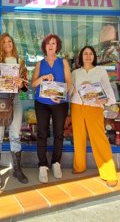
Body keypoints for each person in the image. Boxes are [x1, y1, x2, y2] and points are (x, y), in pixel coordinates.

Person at [0, 33, 28, 189]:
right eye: (4, 42)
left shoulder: (20, 62)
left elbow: (25, 87)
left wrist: (21, 83)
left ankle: (17, 169)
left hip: (15, 101)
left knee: (16, 136)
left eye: (10, 41)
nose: (8, 43)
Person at [70, 45, 118, 187]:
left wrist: (105, 100)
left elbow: (108, 89)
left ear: (94, 56)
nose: (88, 56)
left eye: (91, 53)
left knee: (99, 139)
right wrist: (70, 90)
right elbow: (71, 88)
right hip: (77, 106)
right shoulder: (75, 72)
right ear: (81, 57)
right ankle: (79, 166)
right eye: (85, 53)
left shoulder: (101, 71)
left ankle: (109, 173)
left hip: (94, 108)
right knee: (78, 138)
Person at [31, 34, 72, 183]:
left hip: (60, 104)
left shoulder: (64, 62)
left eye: (54, 43)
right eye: (48, 43)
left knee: (59, 134)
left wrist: (60, 96)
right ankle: (42, 165)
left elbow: (69, 83)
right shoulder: (39, 64)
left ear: (57, 46)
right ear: (44, 46)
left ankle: (56, 163)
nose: (51, 45)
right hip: (41, 103)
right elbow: (33, 84)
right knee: (42, 133)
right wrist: (42, 78)